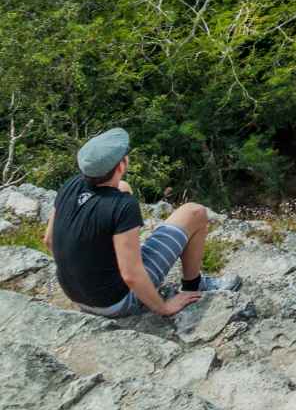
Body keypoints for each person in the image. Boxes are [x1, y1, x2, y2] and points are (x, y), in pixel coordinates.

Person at [44, 127, 239, 320]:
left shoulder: (71, 185)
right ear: (121, 166)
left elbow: (49, 240)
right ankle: (193, 285)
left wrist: (82, 272)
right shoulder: (122, 206)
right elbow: (131, 274)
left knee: (123, 187)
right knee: (194, 212)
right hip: (114, 303)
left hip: (76, 294)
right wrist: (165, 307)